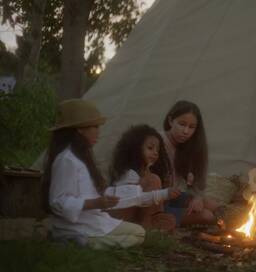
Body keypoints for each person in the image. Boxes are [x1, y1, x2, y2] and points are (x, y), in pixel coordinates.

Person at [42, 99, 145, 249]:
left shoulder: (81, 157)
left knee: (139, 233)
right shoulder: (66, 160)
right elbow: (58, 201)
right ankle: (81, 242)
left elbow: (86, 192)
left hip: (91, 220)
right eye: (95, 127)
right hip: (74, 224)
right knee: (138, 235)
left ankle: (77, 241)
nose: (98, 131)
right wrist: (94, 203)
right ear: (79, 129)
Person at [107, 124, 181, 232]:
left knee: (169, 220)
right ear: (135, 149)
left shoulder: (146, 172)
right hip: (120, 216)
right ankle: (145, 227)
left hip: (137, 216)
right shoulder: (128, 173)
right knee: (153, 179)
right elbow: (132, 199)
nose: (155, 153)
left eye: (157, 150)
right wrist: (164, 193)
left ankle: (144, 226)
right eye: (150, 148)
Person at [161, 100, 222, 226]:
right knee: (207, 216)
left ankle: (236, 226)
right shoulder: (158, 143)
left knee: (215, 206)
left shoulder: (188, 146)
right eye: (182, 124)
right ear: (170, 121)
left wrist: (197, 198)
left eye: (191, 127)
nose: (186, 131)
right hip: (154, 205)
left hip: (171, 198)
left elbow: (197, 181)